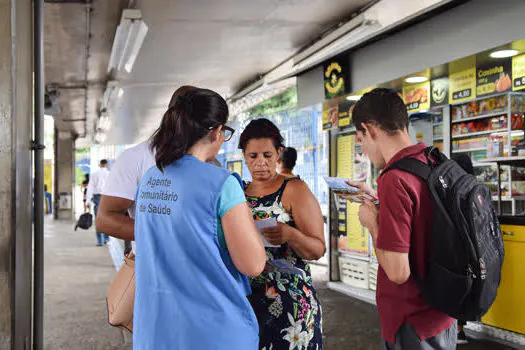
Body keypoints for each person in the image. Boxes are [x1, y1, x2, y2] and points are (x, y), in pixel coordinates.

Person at [133, 87, 266, 349]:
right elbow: (252, 265)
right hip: (213, 332)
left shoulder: (150, 178)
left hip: (155, 330)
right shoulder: (222, 184)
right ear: (217, 131)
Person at [350, 88, 456, 349]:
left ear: (370, 129)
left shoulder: (394, 177)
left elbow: (398, 272)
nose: (363, 149)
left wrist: (372, 223)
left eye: (360, 139)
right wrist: (379, 202)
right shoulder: (433, 160)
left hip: (412, 324)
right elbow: (420, 218)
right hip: (444, 314)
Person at [238, 118, 325, 350]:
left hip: (291, 306)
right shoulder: (237, 192)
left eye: (267, 155)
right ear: (244, 156)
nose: (261, 163)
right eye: (253, 156)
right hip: (247, 302)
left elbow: (318, 249)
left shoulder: (295, 190)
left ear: (279, 153)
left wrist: (291, 235)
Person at [96, 86, 197, 245]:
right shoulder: (136, 158)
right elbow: (105, 219)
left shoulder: (213, 166)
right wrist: (167, 234)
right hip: (152, 265)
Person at [452, 153, 474, 345]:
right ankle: (460, 330)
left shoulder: (455, 188)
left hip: (457, 247)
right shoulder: (476, 188)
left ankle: (456, 330)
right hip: (473, 250)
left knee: (456, 288)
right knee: (467, 287)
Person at [86, 159, 110, 246]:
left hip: (97, 197)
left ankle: (100, 240)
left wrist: (88, 200)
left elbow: (90, 187)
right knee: (107, 218)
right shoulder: (110, 174)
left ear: (100, 164)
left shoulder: (94, 174)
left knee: (98, 219)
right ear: (106, 164)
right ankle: (106, 238)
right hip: (108, 197)